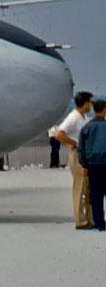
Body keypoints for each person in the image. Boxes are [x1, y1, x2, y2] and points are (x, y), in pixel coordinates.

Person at [55, 92, 94, 229]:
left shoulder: (83, 117)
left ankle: (90, 218)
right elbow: (59, 134)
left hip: (86, 154)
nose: (91, 105)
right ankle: (80, 219)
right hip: (78, 154)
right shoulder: (73, 118)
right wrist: (73, 143)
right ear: (85, 103)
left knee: (89, 186)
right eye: (90, 102)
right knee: (80, 185)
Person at [79, 99, 106, 232]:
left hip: (93, 165)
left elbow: (81, 148)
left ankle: (100, 223)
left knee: (96, 195)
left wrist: (84, 164)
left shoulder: (87, 127)